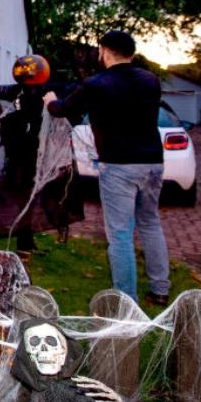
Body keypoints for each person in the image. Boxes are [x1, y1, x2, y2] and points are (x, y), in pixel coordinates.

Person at [42, 30, 170, 305]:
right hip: (153, 164)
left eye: (100, 51)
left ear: (105, 51)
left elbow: (62, 109)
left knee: (120, 233)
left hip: (119, 166)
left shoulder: (97, 83)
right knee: (150, 223)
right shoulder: (150, 81)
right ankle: (160, 288)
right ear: (131, 53)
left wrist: (49, 99)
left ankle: (127, 300)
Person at [0, 55, 84, 253]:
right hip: (23, 157)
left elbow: (73, 94)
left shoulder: (43, 91)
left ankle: (26, 242)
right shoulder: (19, 92)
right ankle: (23, 244)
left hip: (33, 155)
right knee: (26, 198)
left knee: (31, 199)